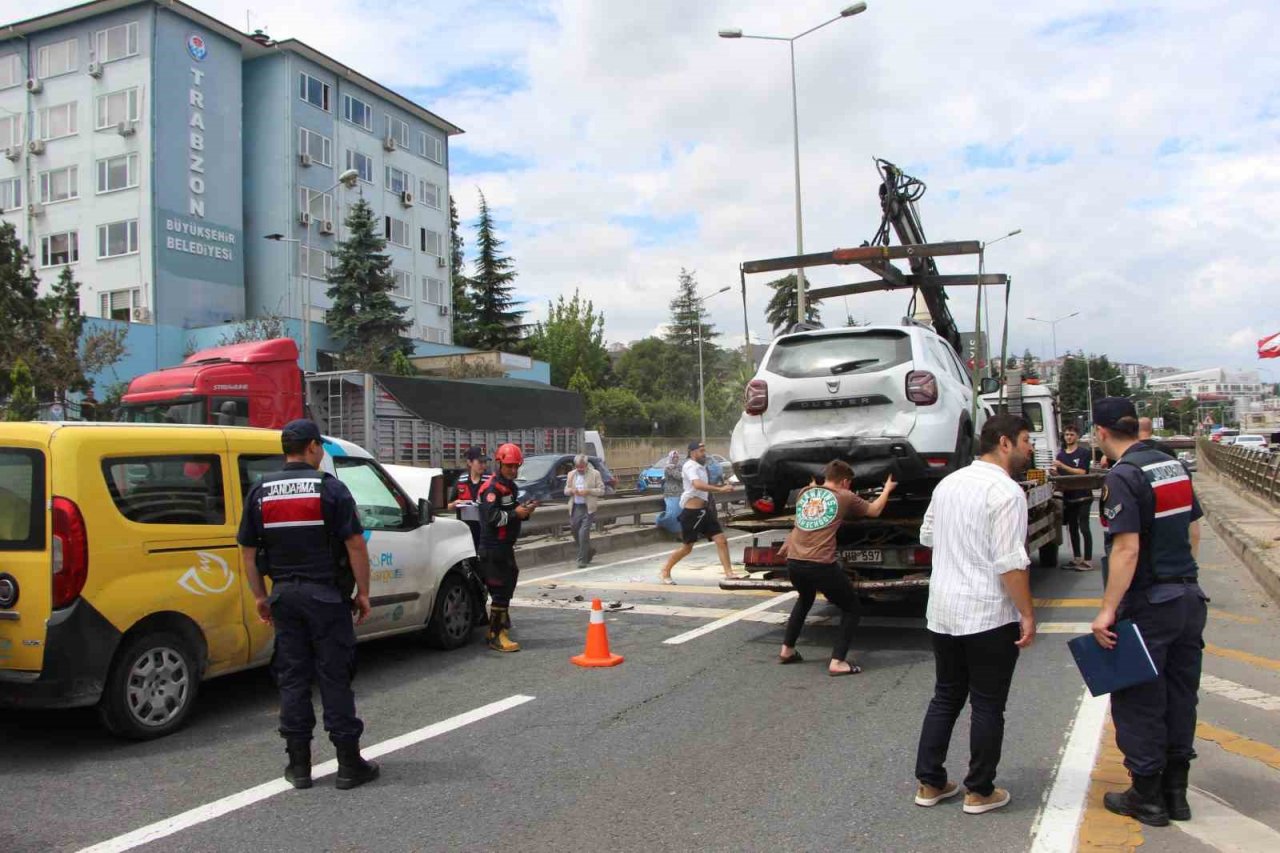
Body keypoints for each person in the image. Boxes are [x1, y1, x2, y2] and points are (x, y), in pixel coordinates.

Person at [238, 419, 380, 791]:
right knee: (334, 675)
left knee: (293, 678)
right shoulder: (330, 489)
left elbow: (249, 553)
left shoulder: (261, 490)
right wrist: (363, 593)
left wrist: (259, 596)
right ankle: (349, 765)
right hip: (326, 596)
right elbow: (354, 545)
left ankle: (298, 766)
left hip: (284, 595)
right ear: (314, 446)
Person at [912, 414, 1036, 816]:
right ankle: (979, 790)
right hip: (987, 613)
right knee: (987, 704)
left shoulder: (949, 483)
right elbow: (1009, 562)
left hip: (943, 611)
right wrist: (1027, 613)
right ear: (1004, 443)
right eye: (1025, 440)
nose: (1029, 448)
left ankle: (930, 782)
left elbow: (927, 535)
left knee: (946, 695)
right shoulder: (1007, 492)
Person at [1090, 398, 1206, 827]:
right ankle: (1177, 793)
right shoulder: (1173, 466)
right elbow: (1193, 530)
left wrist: (1106, 611)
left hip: (1148, 604)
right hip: (1188, 598)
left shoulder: (1123, 476)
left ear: (1100, 432)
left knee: (1139, 698)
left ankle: (1147, 795)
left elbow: (1127, 547)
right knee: (1181, 696)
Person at [776, 462, 896, 675]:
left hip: (794, 561)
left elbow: (814, 490)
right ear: (845, 482)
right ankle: (838, 662)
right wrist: (887, 489)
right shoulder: (845, 496)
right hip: (820, 564)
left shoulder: (805, 492)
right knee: (852, 608)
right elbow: (874, 510)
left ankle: (787, 650)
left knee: (805, 599)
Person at [477, 443, 538, 652]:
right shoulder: (491, 489)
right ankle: (496, 634)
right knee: (499, 590)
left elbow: (512, 510)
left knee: (508, 583)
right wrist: (516, 514)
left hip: (505, 546)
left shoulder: (510, 486)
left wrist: (525, 510)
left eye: (516, 466)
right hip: (493, 547)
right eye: (509, 466)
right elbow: (492, 518)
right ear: (500, 463)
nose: (513, 470)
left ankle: (500, 627)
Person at [658, 441, 743, 584]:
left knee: (721, 540)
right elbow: (697, 484)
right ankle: (665, 570)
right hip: (692, 513)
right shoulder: (689, 466)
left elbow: (704, 485)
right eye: (701, 451)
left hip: (705, 511)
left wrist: (723, 486)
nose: (704, 453)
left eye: (704, 450)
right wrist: (720, 489)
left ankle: (729, 573)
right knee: (687, 547)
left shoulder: (701, 467)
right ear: (693, 452)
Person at [1054, 424, 1095, 570]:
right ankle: (1077, 558)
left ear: (1077, 436)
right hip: (1069, 496)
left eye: (1071, 434)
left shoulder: (1083, 453)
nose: (1069, 437)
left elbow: (1082, 472)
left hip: (1083, 495)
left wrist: (1063, 467)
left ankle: (1088, 560)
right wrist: (1055, 473)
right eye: (1066, 435)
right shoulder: (1061, 455)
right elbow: (1061, 476)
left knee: (1084, 527)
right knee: (1072, 528)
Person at [564, 454, 605, 567]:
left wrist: (588, 491)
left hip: (588, 508)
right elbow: (566, 490)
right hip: (576, 507)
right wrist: (572, 490)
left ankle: (582, 559)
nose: (580, 469)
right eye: (578, 467)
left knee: (583, 533)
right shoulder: (571, 474)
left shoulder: (595, 474)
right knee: (574, 531)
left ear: (586, 465)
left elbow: (601, 490)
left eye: (582, 467)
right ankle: (589, 551)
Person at [447, 446, 488, 551]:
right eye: (480, 462)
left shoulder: (490, 481)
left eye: (485, 462)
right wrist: (455, 504)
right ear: (469, 462)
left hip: (485, 532)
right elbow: (448, 506)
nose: (483, 465)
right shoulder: (461, 480)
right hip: (466, 532)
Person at [654, 451, 683, 535]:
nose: (676, 459)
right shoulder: (669, 467)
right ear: (670, 458)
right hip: (671, 494)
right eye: (674, 457)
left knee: (680, 514)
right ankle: (659, 521)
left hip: (680, 493)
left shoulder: (680, 466)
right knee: (672, 514)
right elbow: (679, 476)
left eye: (677, 457)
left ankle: (678, 532)